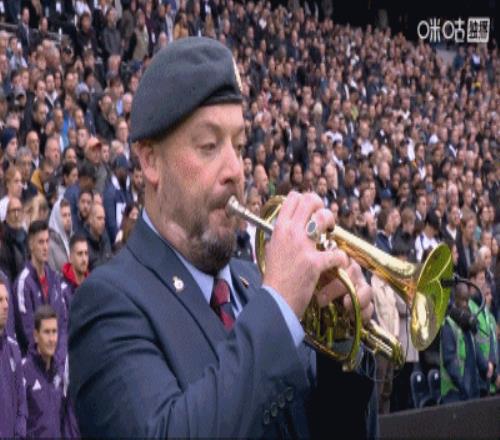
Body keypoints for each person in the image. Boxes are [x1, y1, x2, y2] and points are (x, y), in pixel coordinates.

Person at [69, 38, 376, 438]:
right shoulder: (108, 303)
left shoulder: (255, 283)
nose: (236, 169)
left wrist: (342, 347)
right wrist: (279, 305)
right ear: (150, 161)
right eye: (209, 146)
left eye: (240, 144)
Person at [12, 221, 66, 363]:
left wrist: (58, 359)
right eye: (41, 242)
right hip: (34, 365)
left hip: (57, 362)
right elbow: (28, 332)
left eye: (47, 241)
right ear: (31, 245)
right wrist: (46, 363)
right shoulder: (23, 283)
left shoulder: (54, 278)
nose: (45, 247)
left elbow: (62, 322)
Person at [22, 305, 75, 437]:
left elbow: (65, 421)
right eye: (46, 332)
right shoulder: (24, 372)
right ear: (35, 335)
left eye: (54, 332)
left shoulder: (60, 373)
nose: (52, 339)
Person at [440, 283, 481, 404]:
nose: (465, 304)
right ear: (455, 300)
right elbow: (449, 362)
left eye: (467, 300)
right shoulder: (448, 326)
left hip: (470, 390)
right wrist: (463, 386)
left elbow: (476, 351)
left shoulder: (467, 324)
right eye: (462, 300)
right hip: (454, 392)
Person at [0, 279, 27, 437]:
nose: (5, 306)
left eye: (7, 300)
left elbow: (22, 403)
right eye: (0, 300)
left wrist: (19, 434)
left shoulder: (13, 348)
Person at [61, 234, 89, 316]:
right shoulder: (62, 290)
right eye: (80, 254)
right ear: (70, 258)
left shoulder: (92, 285)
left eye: (86, 253)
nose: (84, 259)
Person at [48, 198, 72, 274]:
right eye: (64, 215)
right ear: (57, 217)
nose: (68, 219)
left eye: (69, 215)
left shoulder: (71, 239)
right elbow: (52, 274)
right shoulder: (49, 244)